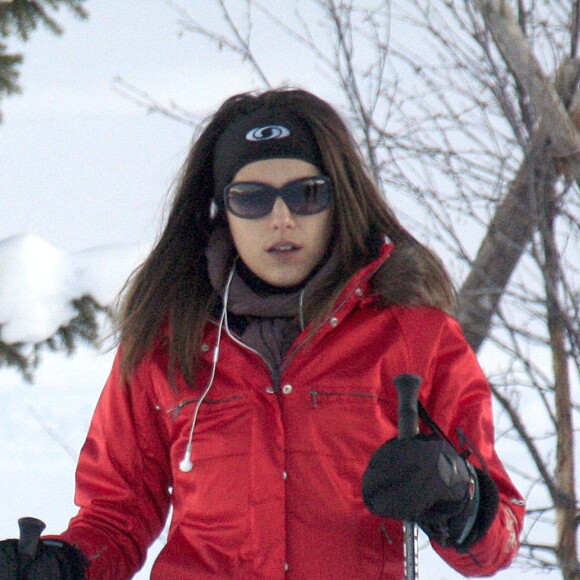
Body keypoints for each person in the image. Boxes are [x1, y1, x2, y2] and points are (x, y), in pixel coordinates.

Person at [0, 88, 525, 579]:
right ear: (222, 209)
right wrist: (63, 563)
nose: (280, 219)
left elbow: (496, 541)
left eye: (307, 194)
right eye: (252, 198)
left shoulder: (414, 337)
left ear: (339, 201)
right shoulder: (169, 341)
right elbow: (117, 516)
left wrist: (459, 500)